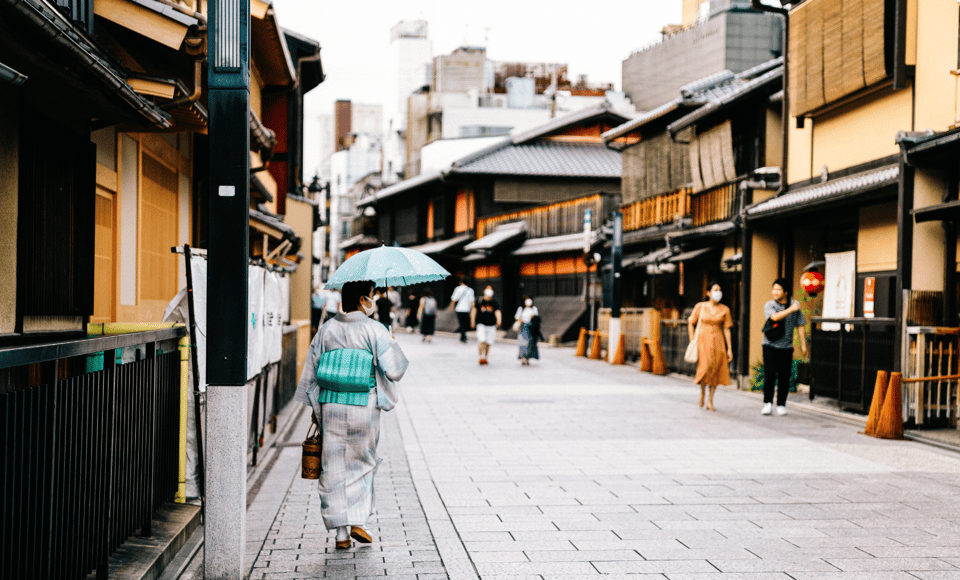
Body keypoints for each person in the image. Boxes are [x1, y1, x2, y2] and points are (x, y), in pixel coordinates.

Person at [294, 280, 408, 550]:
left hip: (331, 405)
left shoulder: (327, 329)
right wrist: (391, 342)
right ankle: (359, 520)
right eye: (371, 296)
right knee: (362, 462)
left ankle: (341, 534)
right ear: (361, 301)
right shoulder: (374, 329)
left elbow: (312, 374)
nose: (373, 300)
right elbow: (395, 370)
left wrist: (315, 408)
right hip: (363, 405)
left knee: (332, 465)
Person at [761, 277, 808, 416]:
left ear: (785, 292)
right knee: (769, 374)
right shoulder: (770, 305)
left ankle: (781, 404)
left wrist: (803, 345)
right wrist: (790, 309)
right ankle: (767, 403)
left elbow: (800, 325)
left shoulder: (795, 305)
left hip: (786, 347)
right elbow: (774, 317)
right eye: (773, 289)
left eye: (778, 289)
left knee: (784, 376)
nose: (775, 292)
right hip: (770, 345)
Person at [687, 282, 733, 411]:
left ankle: (710, 400)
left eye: (720, 290)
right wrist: (692, 340)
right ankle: (702, 393)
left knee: (716, 369)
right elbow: (691, 322)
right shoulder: (700, 307)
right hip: (703, 340)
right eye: (715, 290)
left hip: (718, 341)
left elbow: (727, 329)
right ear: (708, 293)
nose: (718, 292)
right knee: (705, 367)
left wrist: (730, 348)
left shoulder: (725, 309)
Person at [471, 285, 501, 365]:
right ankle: (481, 357)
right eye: (488, 289)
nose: (489, 291)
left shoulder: (494, 302)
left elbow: (497, 311)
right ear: (484, 291)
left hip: (491, 325)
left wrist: (499, 320)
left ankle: (485, 357)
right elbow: (474, 310)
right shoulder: (479, 301)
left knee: (488, 342)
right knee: (482, 340)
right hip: (481, 324)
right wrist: (472, 321)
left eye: (491, 289)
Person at [514, 295, 543, 365]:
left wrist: (533, 317)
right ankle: (523, 357)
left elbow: (537, 318)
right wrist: (521, 319)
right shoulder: (521, 308)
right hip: (523, 326)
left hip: (531, 327)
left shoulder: (534, 309)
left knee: (530, 342)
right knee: (522, 342)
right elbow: (517, 317)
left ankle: (527, 357)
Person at [450, 278, 475, 343]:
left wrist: (451, 307)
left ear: (461, 282)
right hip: (467, 309)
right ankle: (463, 336)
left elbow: (453, 299)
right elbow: (472, 301)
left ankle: (463, 336)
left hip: (459, 308)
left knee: (461, 322)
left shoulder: (457, 289)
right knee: (464, 322)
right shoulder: (470, 290)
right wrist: (473, 309)